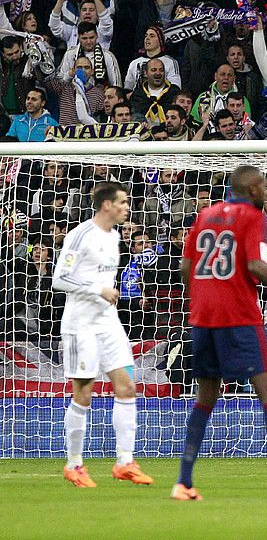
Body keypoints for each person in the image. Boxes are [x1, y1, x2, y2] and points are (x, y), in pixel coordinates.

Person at [173, 165, 267, 501]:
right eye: (264, 186)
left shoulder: (205, 214)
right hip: (240, 318)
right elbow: (256, 265)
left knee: (205, 399)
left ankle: (183, 482)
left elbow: (185, 267)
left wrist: (203, 295)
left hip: (203, 318)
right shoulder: (252, 216)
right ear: (254, 189)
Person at [52, 182, 154, 488]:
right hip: (81, 324)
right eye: (122, 202)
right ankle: (74, 464)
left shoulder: (115, 237)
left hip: (108, 323)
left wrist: (109, 292)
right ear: (106, 205)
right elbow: (60, 279)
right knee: (84, 393)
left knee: (127, 387)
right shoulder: (80, 235)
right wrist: (99, 289)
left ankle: (125, 462)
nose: (127, 207)